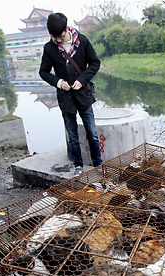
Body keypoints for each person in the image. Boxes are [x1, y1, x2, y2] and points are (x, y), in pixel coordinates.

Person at [39, 12, 102, 176]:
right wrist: (59, 82)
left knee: (92, 134)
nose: (58, 40)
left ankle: (98, 164)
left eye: (60, 36)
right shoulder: (49, 48)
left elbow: (95, 63)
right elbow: (43, 72)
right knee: (72, 136)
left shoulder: (82, 41)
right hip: (65, 98)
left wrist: (81, 79)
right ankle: (78, 166)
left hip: (83, 95)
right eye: (54, 37)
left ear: (66, 29)